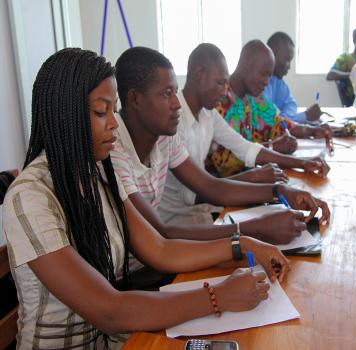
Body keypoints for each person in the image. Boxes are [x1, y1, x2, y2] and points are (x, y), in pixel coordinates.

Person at [2, 48, 292, 349]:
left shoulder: (98, 173)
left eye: (114, 110)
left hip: (117, 340)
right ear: (65, 115)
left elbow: (161, 249)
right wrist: (219, 296)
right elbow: (108, 311)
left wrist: (241, 244)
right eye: (102, 111)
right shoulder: (31, 196)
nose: (114, 122)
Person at [111, 46, 330, 236]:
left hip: (186, 225)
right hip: (176, 228)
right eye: (167, 93)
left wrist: (279, 190)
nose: (176, 103)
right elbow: (166, 228)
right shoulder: (119, 149)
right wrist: (254, 225)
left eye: (175, 92)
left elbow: (213, 184)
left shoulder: (167, 136)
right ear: (134, 99)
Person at [211, 40, 332, 178]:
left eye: (269, 75)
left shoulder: (253, 99)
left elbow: (278, 124)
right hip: (222, 190)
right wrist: (272, 147)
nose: (267, 82)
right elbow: (226, 164)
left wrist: (312, 130)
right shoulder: (218, 100)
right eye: (263, 74)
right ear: (247, 63)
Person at [263, 32, 321, 124]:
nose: (289, 67)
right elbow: (271, 123)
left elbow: (291, 104)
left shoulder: (277, 81)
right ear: (272, 53)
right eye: (287, 60)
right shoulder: (259, 84)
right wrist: (304, 116)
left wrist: (286, 118)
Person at [326, 27, 356, 106]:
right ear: (354, 40)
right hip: (352, 103)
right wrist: (352, 74)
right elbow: (330, 75)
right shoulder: (345, 58)